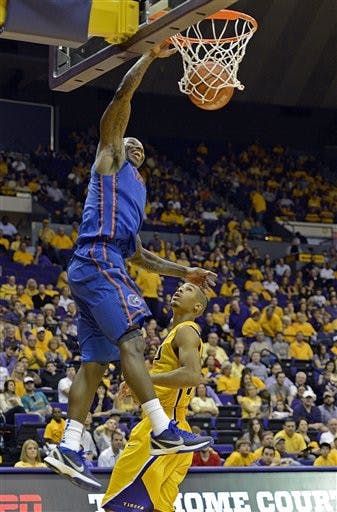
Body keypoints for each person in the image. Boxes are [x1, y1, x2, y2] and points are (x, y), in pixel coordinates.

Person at [45, 42, 216, 490]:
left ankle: (69, 445)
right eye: (130, 141)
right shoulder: (109, 157)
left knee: (95, 364)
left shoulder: (134, 195)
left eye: (140, 147)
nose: (134, 147)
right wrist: (148, 58)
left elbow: (140, 254)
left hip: (97, 265)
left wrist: (185, 273)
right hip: (98, 260)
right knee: (133, 341)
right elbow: (121, 99)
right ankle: (162, 429)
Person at [101, 283, 213, 511]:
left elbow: (192, 376)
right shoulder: (175, 332)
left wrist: (143, 378)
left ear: (198, 307)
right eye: (180, 286)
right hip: (175, 427)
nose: (180, 289)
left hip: (162, 428)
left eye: (189, 290)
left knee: (120, 504)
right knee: (160, 507)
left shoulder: (186, 331)